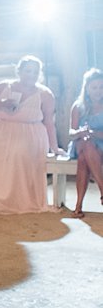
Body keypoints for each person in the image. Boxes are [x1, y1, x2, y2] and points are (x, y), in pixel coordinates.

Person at [0, 55, 59, 214]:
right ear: (19, 71)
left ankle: (18, 201)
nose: (32, 75)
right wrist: (2, 103)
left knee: (18, 152)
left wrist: (54, 147)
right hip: (0, 130)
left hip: (30, 133)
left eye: (35, 72)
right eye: (28, 71)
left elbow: (49, 122)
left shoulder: (45, 94)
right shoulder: (5, 86)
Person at [69, 68, 103, 218]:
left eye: (101, 87)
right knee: (85, 142)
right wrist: (80, 132)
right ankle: (102, 189)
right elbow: (71, 133)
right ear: (87, 88)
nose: (98, 91)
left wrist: (93, 133)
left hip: (100, 143)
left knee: (84, 157)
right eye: (94, 87)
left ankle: (78, 206)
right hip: (80, 144)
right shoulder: (78, 106)